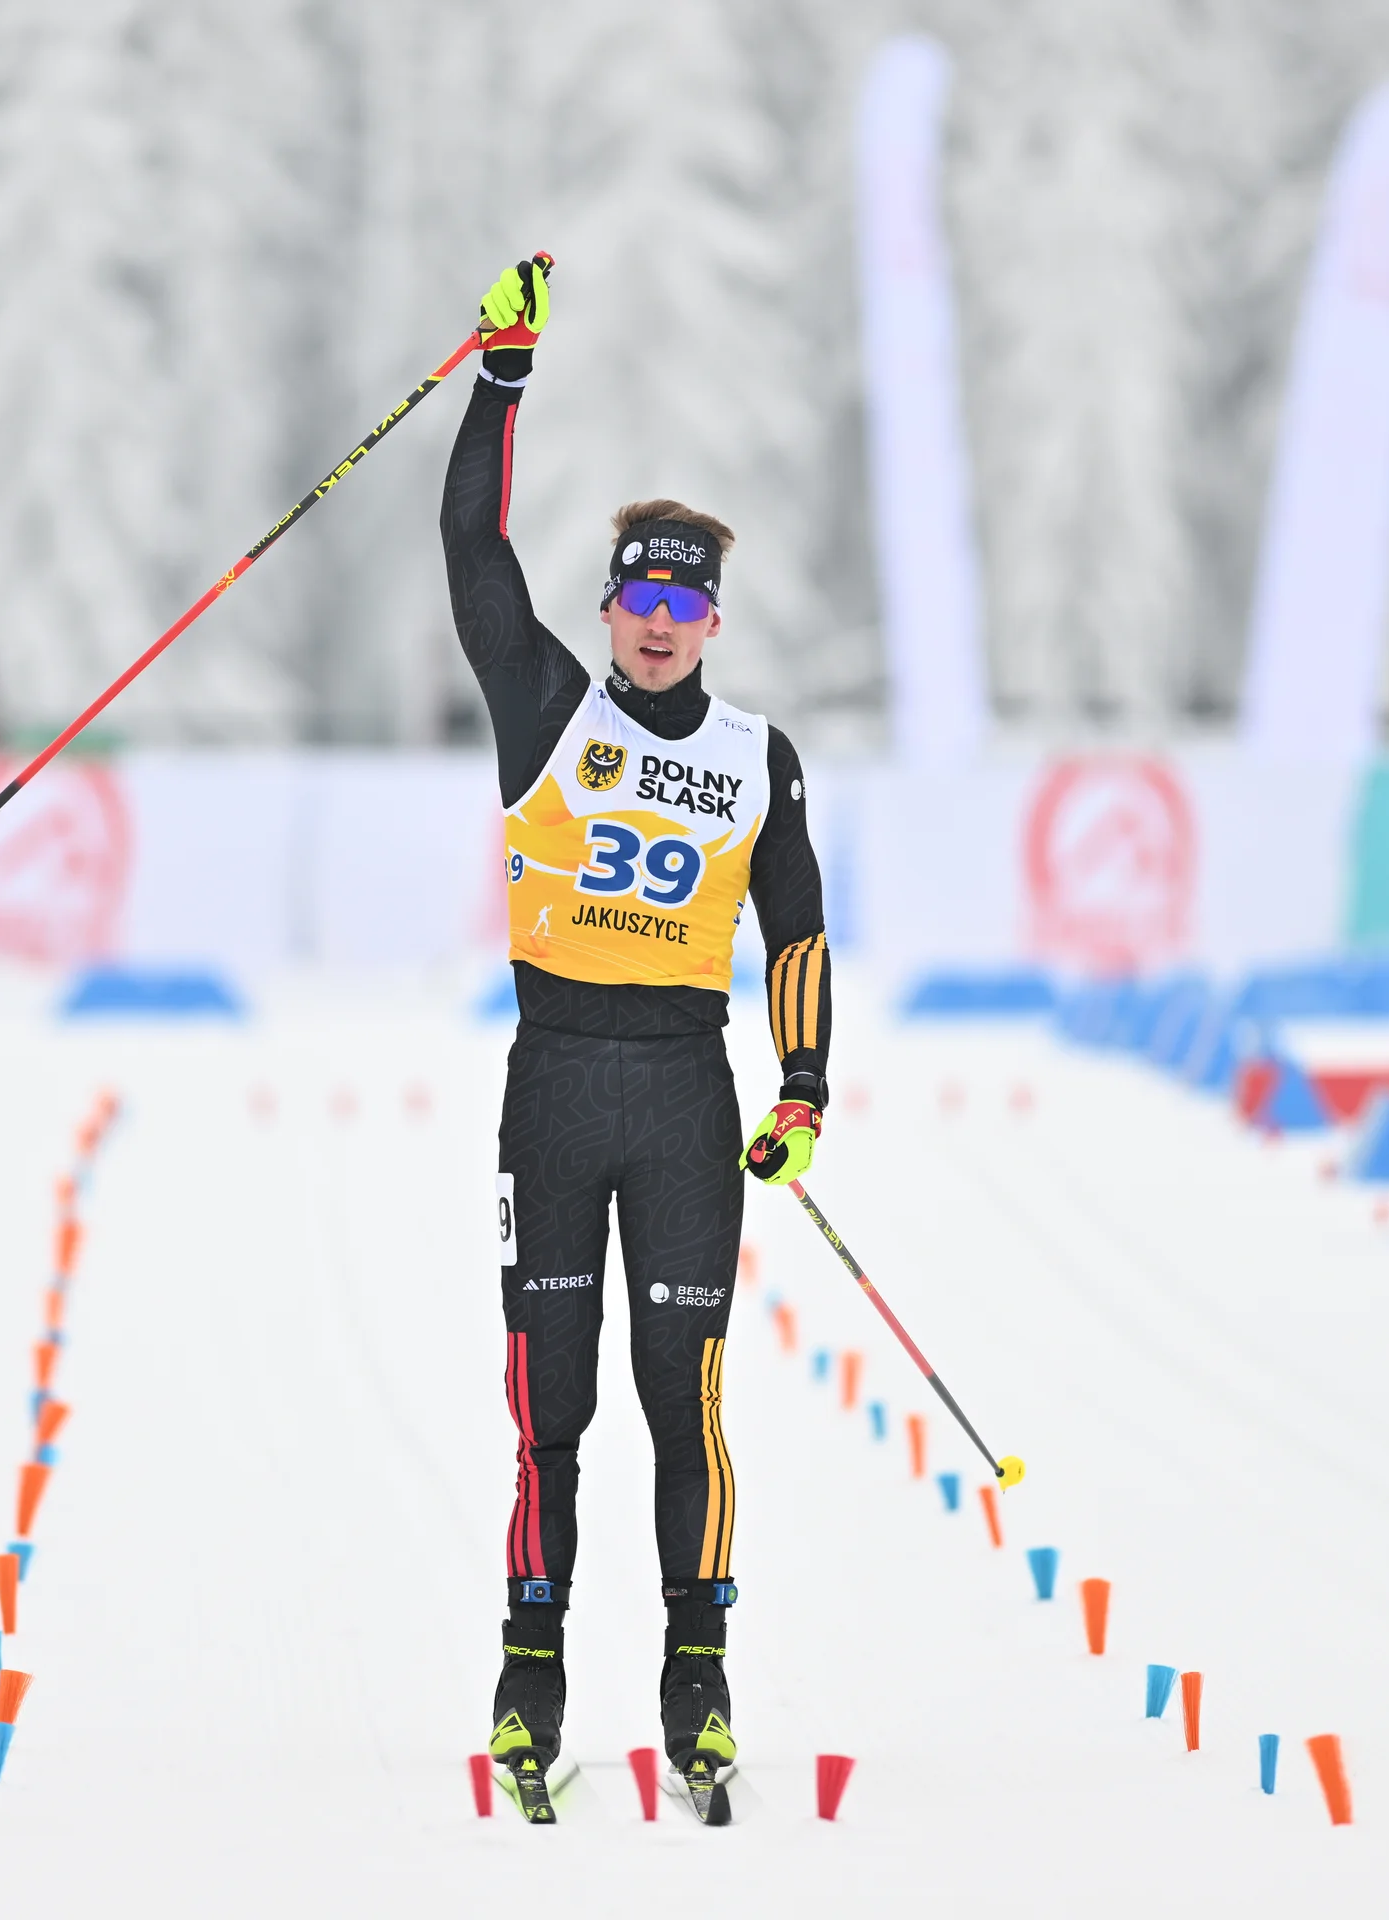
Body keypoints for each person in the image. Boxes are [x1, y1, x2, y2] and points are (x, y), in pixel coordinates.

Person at [442, 255, 832, 1826]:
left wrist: (802, 1094)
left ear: (713, 616)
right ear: (607, 608)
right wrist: (502, 372)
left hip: (684, 1095)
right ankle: (530, 1675)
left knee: (689, 1398)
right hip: (554, 1083)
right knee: (553, 1403)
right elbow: (470, 542)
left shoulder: (757, 759)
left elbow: (796, 932)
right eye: (638, 596)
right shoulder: (543, 705)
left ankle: (698, 1683)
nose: (660, 624)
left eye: (685, 602)